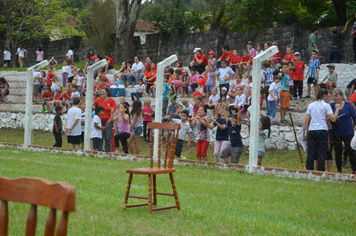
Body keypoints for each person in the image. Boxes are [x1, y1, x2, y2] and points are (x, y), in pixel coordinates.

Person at [302, 89, 340, 171]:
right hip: (322, 130)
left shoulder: (311, 105)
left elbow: (306, 119)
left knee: (310, 153)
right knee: (321, 153)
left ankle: (309, 171)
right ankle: (320, 171)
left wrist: (303, 131)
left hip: (312, 130)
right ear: (324, 96)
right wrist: (337, 109)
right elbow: (333, 119)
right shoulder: (326, 106)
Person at [330, 89, 356, 174]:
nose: (335, 98)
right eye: (333, 96)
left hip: (348, 132)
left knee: (350, 151)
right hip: (336, 132)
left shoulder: (348, 105)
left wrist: (355, 126)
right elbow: (328, 116)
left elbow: (355, 116)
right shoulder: (332, 106)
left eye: (336, 96)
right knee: (338, 152)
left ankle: (354, 170)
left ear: (341, 96)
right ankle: (339, 170)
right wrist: (333, 118)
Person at [93, 87, 118, 152]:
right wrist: (96, 110)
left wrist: (112, 118)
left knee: (107, 137)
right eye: (101, 91)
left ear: (107, 92)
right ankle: (100, 150)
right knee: (100, 136)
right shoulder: (98, 100)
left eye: (103, 91)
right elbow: (93, 104)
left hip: (108, 121)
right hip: (100, 120)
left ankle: (107, 151)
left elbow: (116, 110)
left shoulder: (111, 100)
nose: (102, 93)